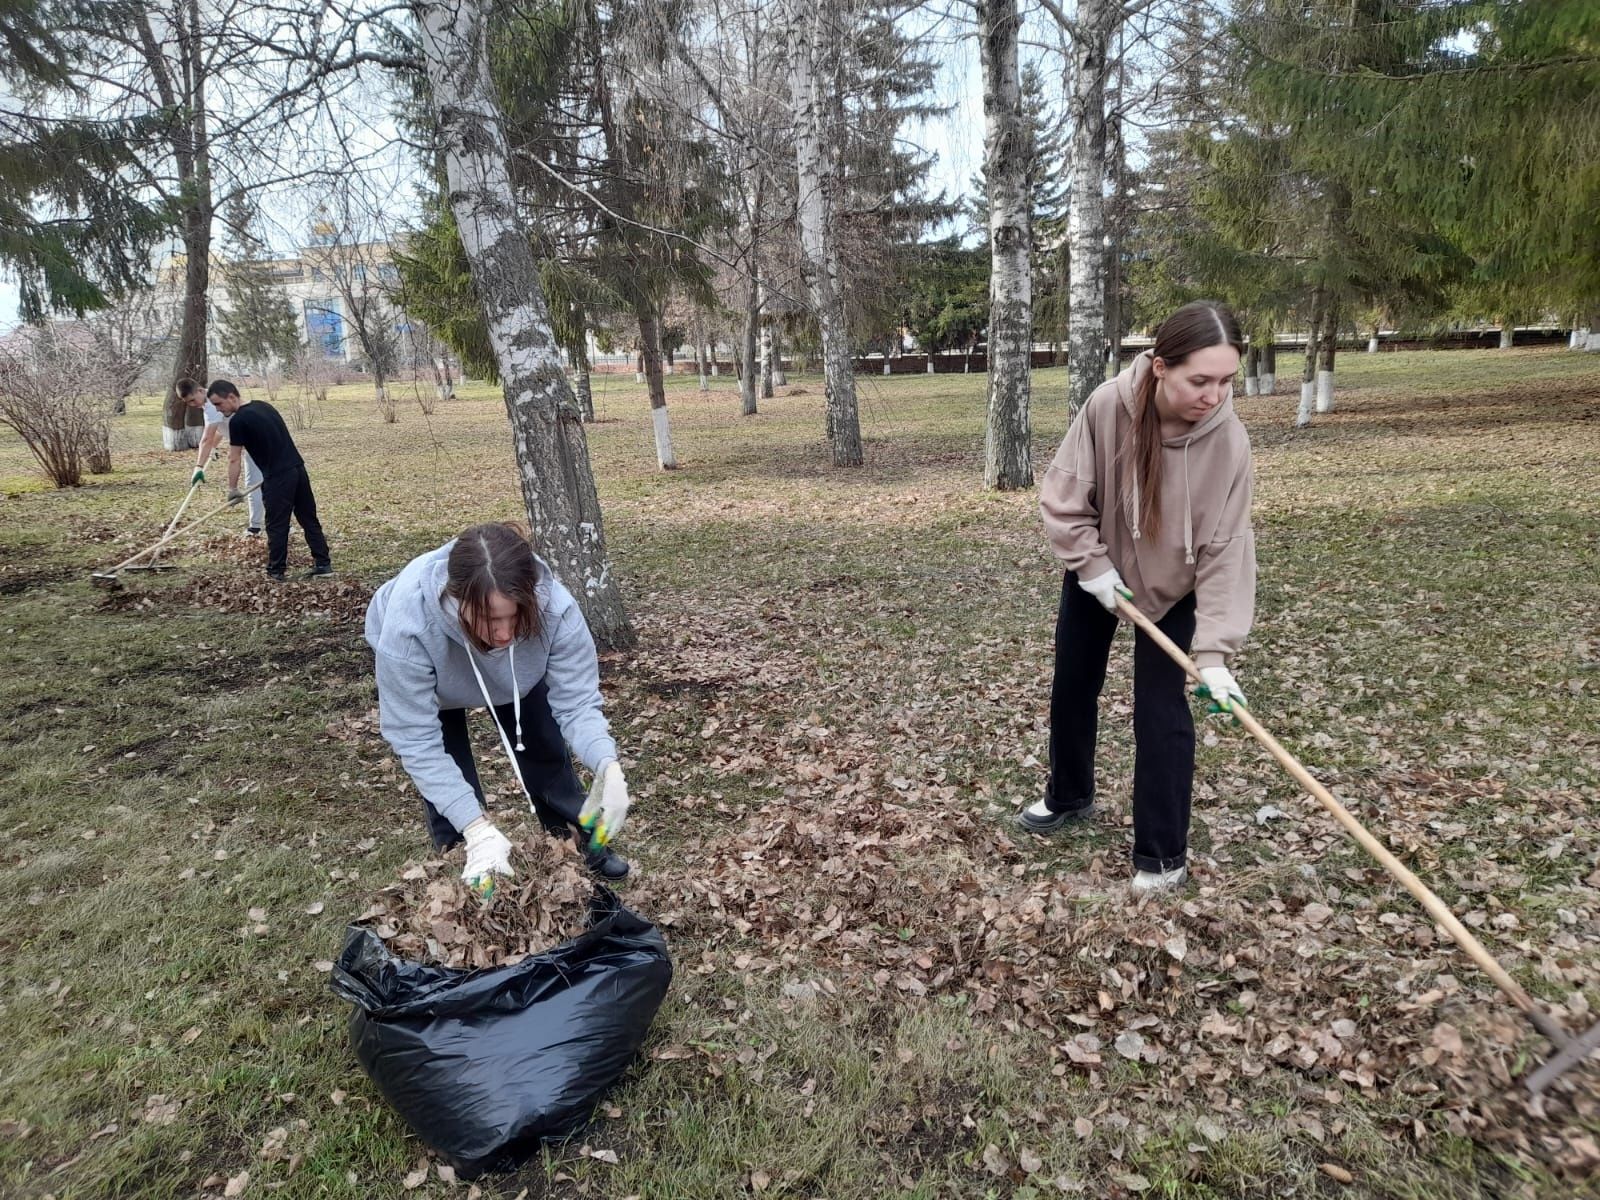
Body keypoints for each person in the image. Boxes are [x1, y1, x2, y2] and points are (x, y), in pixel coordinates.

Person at [1022, 300, 1256, 895]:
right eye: (1199, 380)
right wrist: (1093, 568)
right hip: (1101, 572)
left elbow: (1227, 549)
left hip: (1175, 588)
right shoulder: (1108, 406)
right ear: (1159, 366)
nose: (1214, 394)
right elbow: (1065, 494)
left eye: (1226, 380)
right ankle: (1068, 795)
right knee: (1073, 686)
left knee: (1162, 713)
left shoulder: (1228, 440)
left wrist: (1215, 655)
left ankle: (1161, 855)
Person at [363, 522, 632, 886]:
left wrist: (607, 764)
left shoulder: (556, 610)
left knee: (544, 747)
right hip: (438, 671)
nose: (505, 634)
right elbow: (416, 740)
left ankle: (581, 843)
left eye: (515, 615)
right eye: (490, 619)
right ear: (458, 600)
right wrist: (476, 828)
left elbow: (578, 703)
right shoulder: (408, 627)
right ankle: (467, 853)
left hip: (517, 674)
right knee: (449, 766)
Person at [204, 379, 331, 582]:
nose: (219, 410)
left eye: (219, 404)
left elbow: (234, 457)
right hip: (298, 469)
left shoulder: (238, 421)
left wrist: (232, 488)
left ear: (231, 396)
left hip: (278, 477)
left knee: (276, 525)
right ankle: (323, 563)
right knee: (308, 518)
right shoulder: (264, 406)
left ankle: (276, 571)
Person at [178, 376, 264, 536]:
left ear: (199, 390)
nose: (192, 405)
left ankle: (256, 528)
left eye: (192, 400)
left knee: (254, 486)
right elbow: (220, 428)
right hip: (251, 443)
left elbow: (206, 438)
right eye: (188, 403)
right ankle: (282, 525)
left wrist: (198, 467)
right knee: (265, 485)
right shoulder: (211, 402)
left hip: (255, 445)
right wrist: (214, 447)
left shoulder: (212, 405)